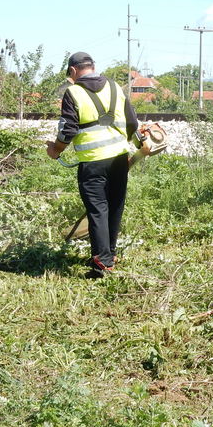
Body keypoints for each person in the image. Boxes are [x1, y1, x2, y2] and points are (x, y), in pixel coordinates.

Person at [45, 52, 141, 278]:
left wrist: (55, 150)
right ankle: (110, 255)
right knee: (115, 206)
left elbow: (67, 130)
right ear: (93, 66)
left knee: (98, 210)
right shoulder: (115, 86)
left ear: (72, 71)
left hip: (92, 162)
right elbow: (132, 122)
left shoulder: (73, 92)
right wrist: (131, 144)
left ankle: (102, 265)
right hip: (119, 159)